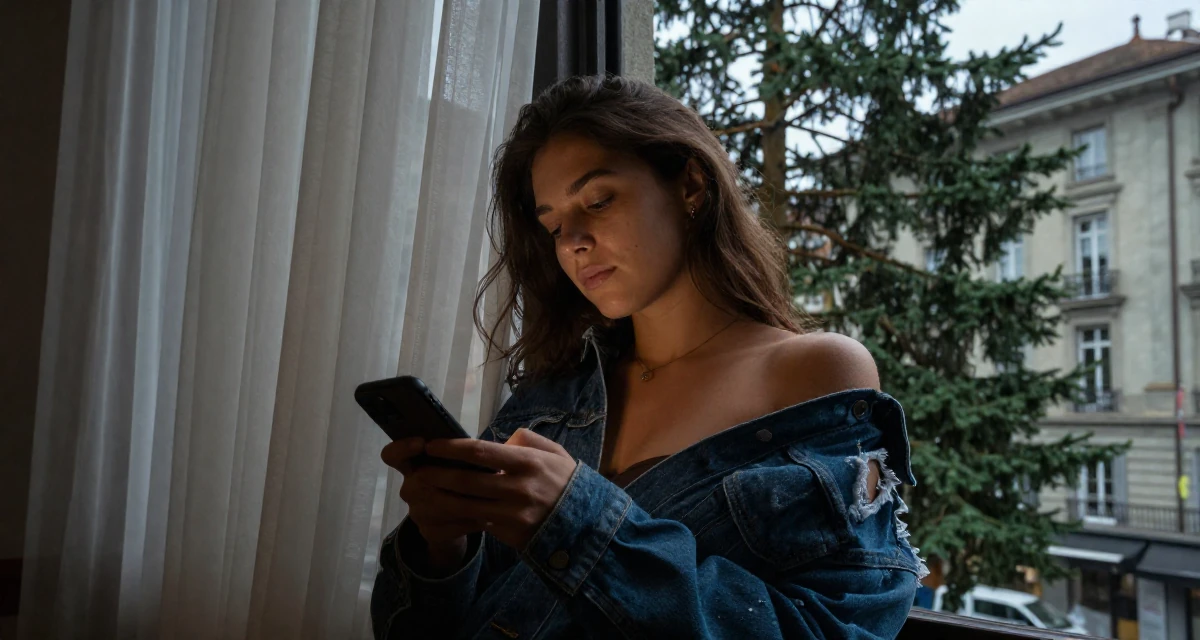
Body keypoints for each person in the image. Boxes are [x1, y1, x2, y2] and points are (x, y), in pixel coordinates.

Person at [372, 74, 926, 639]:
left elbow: (838, 628)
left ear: (691, 185)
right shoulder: (553, 395)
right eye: (555, 224)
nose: (573, 241)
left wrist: (576, 519)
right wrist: (441, 548)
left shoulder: (816, 371)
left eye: (599, 200)